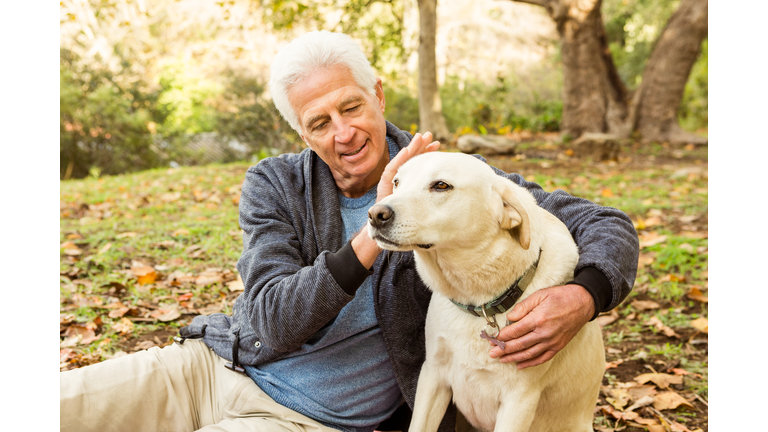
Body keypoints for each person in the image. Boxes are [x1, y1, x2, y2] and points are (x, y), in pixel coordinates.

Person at [60, 31, 639, 432]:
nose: (344, 133)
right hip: (210, 367)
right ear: (303, 134)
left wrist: (583, 294)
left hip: (300, 418)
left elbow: (603, 222)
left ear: (379, 95)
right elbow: (270, 320)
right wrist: (374, 232)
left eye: (352, 107)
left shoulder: (453, 184)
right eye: (319, 122)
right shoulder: (276, 184)